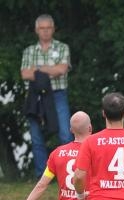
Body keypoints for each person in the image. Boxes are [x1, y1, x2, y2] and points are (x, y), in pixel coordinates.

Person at [21, 14, 73, 178]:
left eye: (48, 28)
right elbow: (24, 74)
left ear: (53, 29)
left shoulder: (62, 47)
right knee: (36, 136)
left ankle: (67, 174)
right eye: (42, 28)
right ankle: (41, 175)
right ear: (37, 30)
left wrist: (38, 69)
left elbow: (62, 70)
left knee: (65, 133)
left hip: (58, 94)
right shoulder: (29, 51)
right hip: (36, 96)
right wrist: (50, 69)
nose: (45, 31)